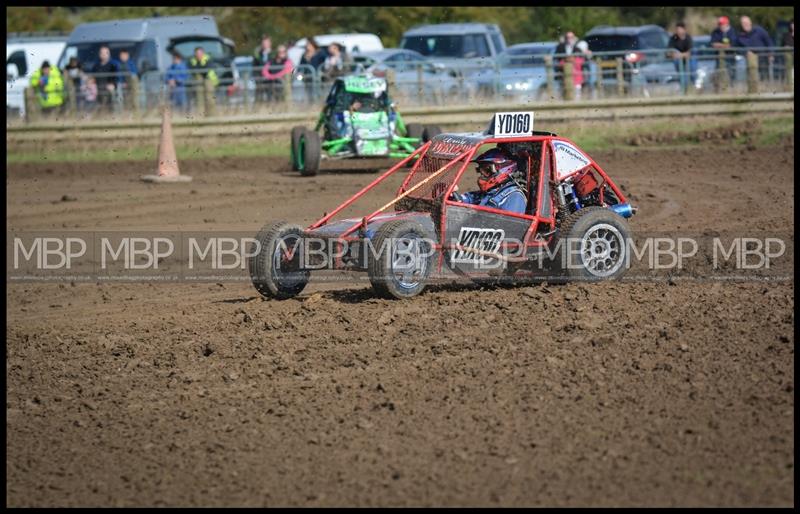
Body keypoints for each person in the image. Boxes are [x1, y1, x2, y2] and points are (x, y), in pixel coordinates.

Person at [450, 148, 527, 215]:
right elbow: (468, 198)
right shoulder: (491, 192)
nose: (482, 175)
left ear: (505, 169)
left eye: (486, 170)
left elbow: (510, 229)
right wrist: (453, 196)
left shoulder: (514, 197)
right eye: (481, 170)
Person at [736, 15, 775, 81]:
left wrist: (771, 53)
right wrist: (745, 52)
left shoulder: (759, 30)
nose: (745, 24)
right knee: (751, 79)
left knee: (764, 77)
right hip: (749, 60)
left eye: (746, 22)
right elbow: (738, 49)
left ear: (750, 22)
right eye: (743, 23)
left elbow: (768, 41)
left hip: (763, 57)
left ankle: (765, 89)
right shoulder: (740, 36)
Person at [555, 32, 590, 98]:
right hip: (563, 73)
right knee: (564, 89)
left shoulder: (577, 49)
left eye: (571, 37)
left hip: (576, 73)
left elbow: (583, 60)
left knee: (577, 90)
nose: (569, 39)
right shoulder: (560, 47)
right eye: (568, 37)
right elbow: (557, 59)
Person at [669, 22, 697, 91]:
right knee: (682, 77)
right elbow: (669, 51)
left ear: (684, 30)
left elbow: (690, 53)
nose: (678, 31)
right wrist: (675, 54)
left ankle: (694, 87)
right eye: (677, 29)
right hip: (679, 61)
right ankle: (684, 90)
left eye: (680, 29)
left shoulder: (688, 38)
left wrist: (680, 55)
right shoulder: (673, 38)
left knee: (692, 74)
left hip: (689, 60)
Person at [710, 16, 738, 83]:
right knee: (718, 74)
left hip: (730, 57)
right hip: (719, 58)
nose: (721, 25)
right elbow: (713, 44)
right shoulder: (715, 32)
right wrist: (724, 45)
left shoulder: (732, 31)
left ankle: (732, 87)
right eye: (719, 24)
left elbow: (731, 45)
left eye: (722, 24)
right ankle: (719, 89)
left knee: (731, 73)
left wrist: (719, 45)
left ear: (727, 23)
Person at [92, 45, 119, 113]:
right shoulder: (96, 66)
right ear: (99, 54)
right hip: (98, 91)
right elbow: (92, 77)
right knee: (99, 108)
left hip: (109, 91)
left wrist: (113, 85)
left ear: (108, 54)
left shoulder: (113, 65)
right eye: (101, 53)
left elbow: (115, 77)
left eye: (105, 53)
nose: (103, 55)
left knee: (110, 108)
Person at [252, 35, 273, 103]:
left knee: (270, 95)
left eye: (266, 43)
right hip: (260, 78)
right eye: (264, 43)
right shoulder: (258, 54)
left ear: (270, 43)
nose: (265, 45)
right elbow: (255, 66)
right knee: (259, 96)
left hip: (270, 78)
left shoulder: (274, 53)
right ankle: (258, 109)